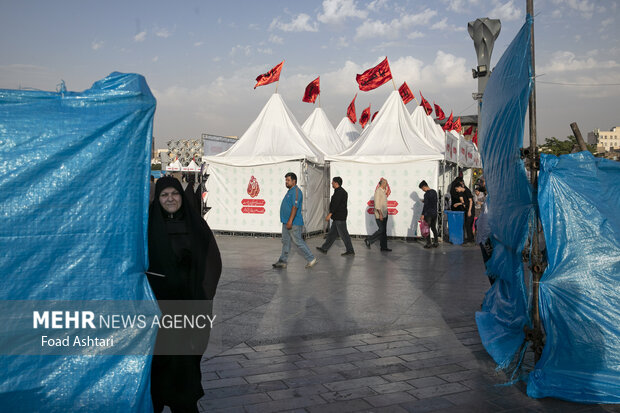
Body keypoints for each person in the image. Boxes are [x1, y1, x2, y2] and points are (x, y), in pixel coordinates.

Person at [146, 176, 222, 413]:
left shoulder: (196, 225)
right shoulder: (147, 225)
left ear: (181, 195)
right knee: (157, 369)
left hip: (190, 308)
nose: (170, 199)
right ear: (157, 199)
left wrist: (203, 296)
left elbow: (212, 263)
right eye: (164, 195)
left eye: (174, 194)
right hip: (157, 312)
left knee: (185, 367)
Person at [273, 172, 317, 269]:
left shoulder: (296, 192)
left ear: (294, 181)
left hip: (294, 223)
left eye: (288, 180)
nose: (286, 182)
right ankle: (282, 261)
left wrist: (290, 221)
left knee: (298, 242)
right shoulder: (290, 191)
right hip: (286, 222)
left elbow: (295, 207)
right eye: (286, 180)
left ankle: (311, 258)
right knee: (285, 242)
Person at [316, 177, 355, 256]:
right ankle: (324, 248)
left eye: (333, 182)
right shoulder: (339, 191)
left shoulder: (340, 192)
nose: (332, 183)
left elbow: (336, 205)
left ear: (336, 183)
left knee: (344, 234)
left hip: (339, 217)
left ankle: (350, 250)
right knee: (332, 234)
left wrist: (329, 214)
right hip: (338, 217)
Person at [364, 178, 391, 251]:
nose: (387, 184)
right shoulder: (378, 191)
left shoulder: (383, 191)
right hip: (380, 214)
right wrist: (380, 214)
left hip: (385, 213)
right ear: (382, 184)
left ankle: (383, 247)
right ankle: (369, 240)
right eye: (386, 183)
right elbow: (377, 205)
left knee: (384, 231)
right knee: (381, 230)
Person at [419, 180, 439, 248]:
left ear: (424, 187)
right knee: (433, 228)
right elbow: (433, 201)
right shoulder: (434, 192)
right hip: (434, 213)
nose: (423, 190)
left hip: (428, 214)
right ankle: (436, 242)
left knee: (426, 228)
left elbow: (426, 205)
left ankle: (429, 243)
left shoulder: (426, 194)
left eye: (422, 189)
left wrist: (422, 214)